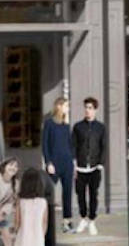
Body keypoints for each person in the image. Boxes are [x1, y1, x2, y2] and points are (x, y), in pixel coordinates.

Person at [71, 96, 105, 235]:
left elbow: (103, 146)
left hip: (95, 167)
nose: (87, 110)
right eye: (86, 107)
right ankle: (83, 217)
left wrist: (101, 164)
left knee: (93, 195)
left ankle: (92, 221)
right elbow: (73, 146)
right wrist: (73, 163)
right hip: (80, 167)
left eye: (90, 108)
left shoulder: (100, 127)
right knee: (80, 195)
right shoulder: (78, 127)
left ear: (95, 110)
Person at [41, 97, 75, 234]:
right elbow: (45, 145)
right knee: (46, 194)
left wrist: (74, 162)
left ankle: (67, 223)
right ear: (59, 106)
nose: (68, 108)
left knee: (67, 194)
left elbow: (70, 145)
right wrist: (48, 162)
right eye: (67, 106)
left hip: (67, 163)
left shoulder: (66, 125)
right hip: (54, 164)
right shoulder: (49, 124)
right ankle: (43, 222)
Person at [13, 167, 49, 246]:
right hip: (38, 239)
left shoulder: (20, 201)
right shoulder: (43, 202)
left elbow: (17, 223)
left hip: (23, 239)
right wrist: (41, 235)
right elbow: (44, 222)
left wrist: (15, 233)